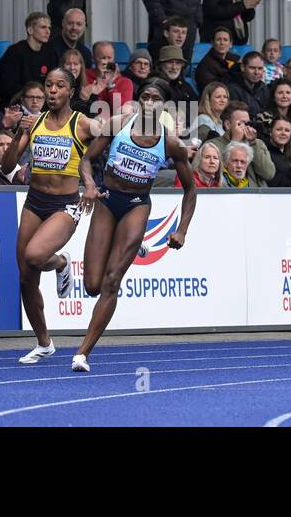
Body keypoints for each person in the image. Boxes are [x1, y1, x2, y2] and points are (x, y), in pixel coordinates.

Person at [69, 78, 197, 372]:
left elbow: (190, 190)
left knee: (112, 281)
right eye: (146, 96)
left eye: (156, 99)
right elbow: (86, 160)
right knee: (91, 285)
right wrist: (88, 185)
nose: (150, 102)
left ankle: (82, 353)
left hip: (137, 205)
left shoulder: (171, 143)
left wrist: (181, 230)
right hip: (106, 200)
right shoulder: (119, 124)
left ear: (164, 105)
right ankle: (125, 247)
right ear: (139, 100)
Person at [0, 68, 100, 365]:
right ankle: (44, 344)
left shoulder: (82, 124)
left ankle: (60, 261)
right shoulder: (35, 123)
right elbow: (7, 165)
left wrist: (92, 182)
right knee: (25, 279)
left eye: (59, 86)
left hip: (65, 206)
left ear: (71, 91)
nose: (53, 91)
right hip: (34, 201)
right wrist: (19, 131)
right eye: (48, 86)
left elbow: (109, 141)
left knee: (34, 255)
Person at [0, 12, 57, 104]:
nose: (48, 31)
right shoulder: (14, 52)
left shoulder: (50, 53)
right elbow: (8, 86)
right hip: (16, 103)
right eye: (43, 27)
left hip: (42, 102)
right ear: (30, 30)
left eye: (49, 28)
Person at [195, 27, 238, 92]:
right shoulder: (205, 65)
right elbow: (212, 90)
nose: (222, 43)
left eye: (225, 40)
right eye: (218, 39)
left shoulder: (236, 59)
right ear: (212, 43)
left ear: (230, 44)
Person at [266, 116, 291, 187]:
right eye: (279, 129)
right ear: (270, 132)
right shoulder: (265, 153)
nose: (283, 133)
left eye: (287, 130)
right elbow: (274, 184)